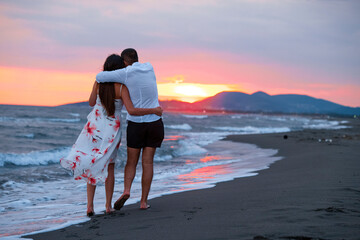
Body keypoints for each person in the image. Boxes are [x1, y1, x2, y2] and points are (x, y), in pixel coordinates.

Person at [60, 54, 162, 216]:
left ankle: (90, 206)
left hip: (94, 126)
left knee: (91, 162)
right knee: (110, 167)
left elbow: (91, 102)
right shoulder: (122, 87)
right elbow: (131, 110)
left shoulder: (98, 83)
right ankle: (108, 206)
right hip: (112, 129)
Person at [96, 48, 164, 210]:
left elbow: (99, 77)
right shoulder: (149, 67)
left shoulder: (125, 72)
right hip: (155, 123)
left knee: (131, 162)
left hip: (136, 124)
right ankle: (143, 202)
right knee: (148, 162)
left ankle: (126, 190)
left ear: (124, 62)